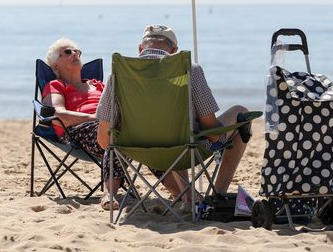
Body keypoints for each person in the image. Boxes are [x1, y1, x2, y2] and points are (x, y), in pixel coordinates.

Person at [95, 25, 251, 206]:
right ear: (174, 50)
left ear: (140, 48)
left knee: (178, 129)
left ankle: (189, 196)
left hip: (137, 150)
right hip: (183, 150)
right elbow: (213, 133)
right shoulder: (190, 70)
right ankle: (218, 195)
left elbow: (104, 140)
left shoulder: (118, 73)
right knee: (241, 113)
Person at [42, 38, 124, 209]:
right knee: (112, 134)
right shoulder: (55, 85)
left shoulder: (99, 86)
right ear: (55, 66)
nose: (75, 54)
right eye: (67, 52)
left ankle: (182, 194)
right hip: (75, 132)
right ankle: (109, 194)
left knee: (143, 134)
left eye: (77, 51)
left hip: (109, 126)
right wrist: (97, 118)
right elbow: (57, 114)